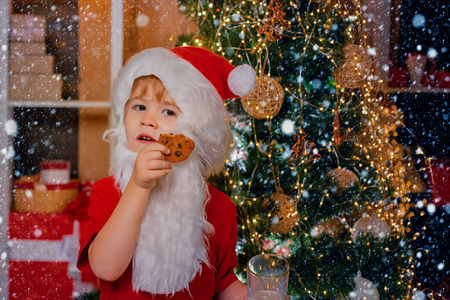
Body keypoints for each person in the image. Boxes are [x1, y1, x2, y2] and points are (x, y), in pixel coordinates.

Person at [77, 46, 257, 299]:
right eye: (139, 107)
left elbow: (222, 286)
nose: (148, 120)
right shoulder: (109, 192)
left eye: (169, 111)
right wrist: (138, 186)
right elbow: (107, 269)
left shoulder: (220, 208)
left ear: (197, 132)